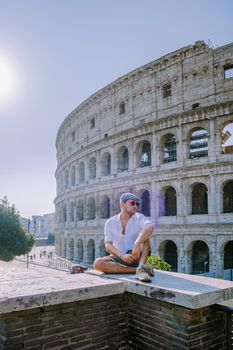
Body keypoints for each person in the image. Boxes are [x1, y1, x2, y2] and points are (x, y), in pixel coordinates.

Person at [94, 192, 155, 282]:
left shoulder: (139, 218)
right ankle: (138, 270)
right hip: (119, 257)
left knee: (146, 237)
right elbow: (108, 245)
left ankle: (141, 267)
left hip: (136, 255)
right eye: (132, 203)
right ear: (122, 204)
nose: (136, 206)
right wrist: (122, 256)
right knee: (98, 264)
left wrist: (137, 243)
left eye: (137, 204)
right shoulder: (111, 222)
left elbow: (150, 226)